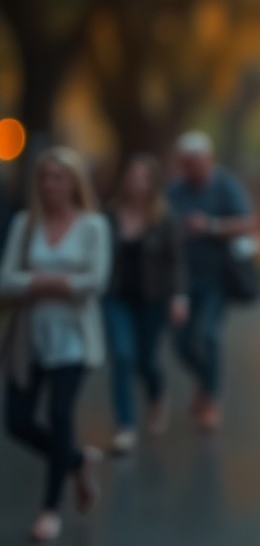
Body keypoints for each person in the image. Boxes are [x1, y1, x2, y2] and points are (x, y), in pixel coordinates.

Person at [0, 148, 111, 542]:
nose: (49, 184)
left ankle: (49, 509)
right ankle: (78, 459)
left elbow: (94, 282)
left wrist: (39, 281)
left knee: (61, 415)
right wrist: (58, 282)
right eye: (44, 177)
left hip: (74, 339)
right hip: (30, 337)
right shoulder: (24, 225)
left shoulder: (93, 226)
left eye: (58, 177)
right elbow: (6, 279)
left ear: (73, 182)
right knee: (17, 422)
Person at [167, 132, 253, 432]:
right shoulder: (175, 191)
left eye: (198, 162)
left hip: (216, 276)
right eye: (187, 163)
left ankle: (211, 399)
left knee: (209, 335)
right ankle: (205, 383)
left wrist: (211, 225)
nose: (193, 168)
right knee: (181, 342)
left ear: (208, 159)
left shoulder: (225, 185)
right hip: (181, 278)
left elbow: (247, 222)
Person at [102, 155, 188, 455]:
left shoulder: (164, 218)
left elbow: (176, 260)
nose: (136, 182)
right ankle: (125, 426)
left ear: (152, 183)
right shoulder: (109, 216)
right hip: (116, 297)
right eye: (132, 175)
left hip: (153, 298)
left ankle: (156, 395)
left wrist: (179, 296)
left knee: (146, 361)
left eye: (142, 177)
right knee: (122, 357)